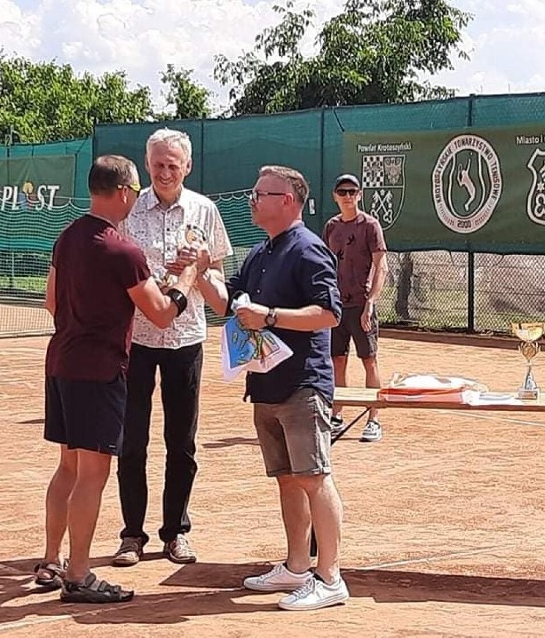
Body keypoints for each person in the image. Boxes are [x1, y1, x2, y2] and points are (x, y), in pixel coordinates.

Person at [37, 155, 199, 604]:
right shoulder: (122, 249)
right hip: (98, 371)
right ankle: (80, 575)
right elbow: (163, 315)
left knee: (67, 468)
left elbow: (52, 300)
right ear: (125, 192)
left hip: (62, 362)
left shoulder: (67, 238)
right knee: (93, 475)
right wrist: (188, 276)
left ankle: (52, 560)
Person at [197, 165, 349, 611]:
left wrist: (269, 316)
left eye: (261, 193)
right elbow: (229, 303)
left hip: (303, 384)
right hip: (266, 383)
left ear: (287, 200)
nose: (253, 199)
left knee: (314, 477)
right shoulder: (261, 252)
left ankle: (330, 577)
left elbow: (330, 313)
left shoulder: (308, 249)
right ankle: (297, 567)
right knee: (287, 480)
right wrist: (202, 272)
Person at [112, 128, 232, 567]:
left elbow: (217, 274)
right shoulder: (128, 209)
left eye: (173, 165)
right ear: (147, 164)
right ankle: (131, 535)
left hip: (186, 339)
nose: (165, 172)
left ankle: (176, 532)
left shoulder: (205, 210)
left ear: (188, 166)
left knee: (181, 442)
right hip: (136, 340)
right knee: (131, 442)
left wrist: (198, 272)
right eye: (158, 163)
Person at [322, 174, 388, 443]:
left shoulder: (370, 226)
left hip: (361, 305)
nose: (348, 196)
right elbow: (325, 263)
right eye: (342, 192)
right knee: (337, 360)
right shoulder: (331, 227)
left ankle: (374, 419)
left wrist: (370, 303)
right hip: (337, 306)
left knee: (369, 360)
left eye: (352, 191)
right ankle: (337, 415)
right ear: (335, 197)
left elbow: (381, 266)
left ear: (359, 195)